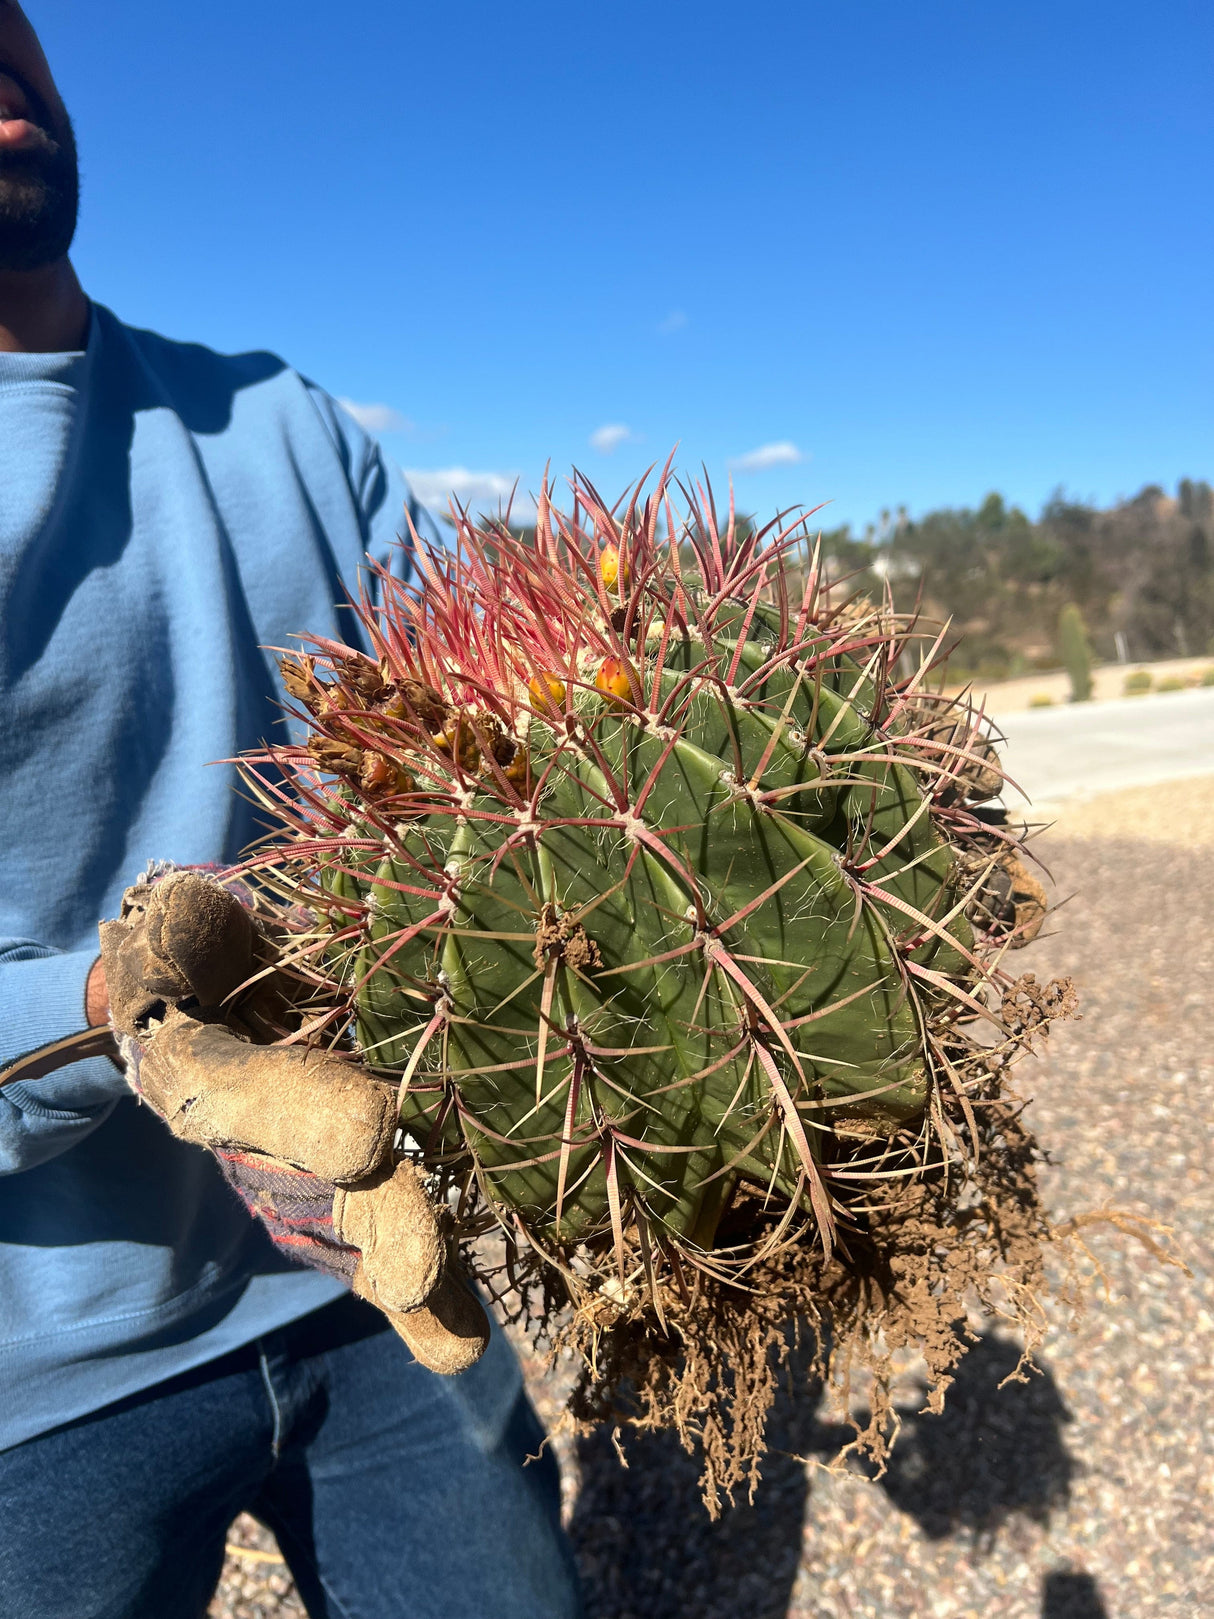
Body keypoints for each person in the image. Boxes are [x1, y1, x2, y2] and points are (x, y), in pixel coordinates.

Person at [0, 6, 581, 1615]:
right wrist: (111, 1008)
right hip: (38, 1399)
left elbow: (513, 751)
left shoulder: (281, 424)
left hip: (374, 1279)